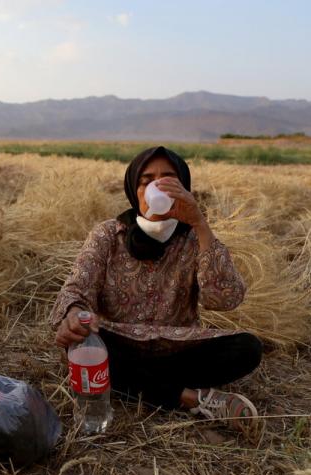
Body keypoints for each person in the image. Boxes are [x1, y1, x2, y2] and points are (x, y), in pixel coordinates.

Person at [49, 146, 262, 429]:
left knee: (247, 348)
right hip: (119, 343)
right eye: (147, 180)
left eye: (168, 179)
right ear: (133, 189)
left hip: (176, 348)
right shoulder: (108, 235)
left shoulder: (195, 239)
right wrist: (74, 314)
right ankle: (189, 398)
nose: (157, 187)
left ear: (183, 187)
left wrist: (199, 222)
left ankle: (136, 383)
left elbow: (224, 298)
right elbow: (76, 288)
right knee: (83, 341)